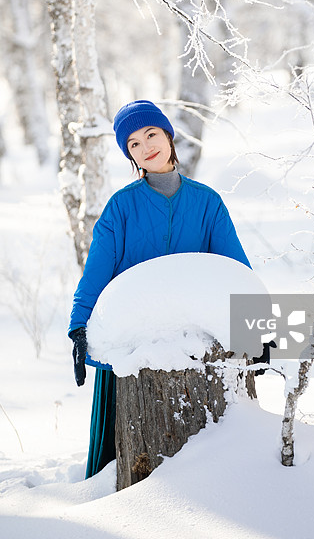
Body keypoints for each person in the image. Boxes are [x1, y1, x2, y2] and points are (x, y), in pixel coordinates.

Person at [68, 99, 251, 478]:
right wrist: (79, 328)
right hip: (131, 344)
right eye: (133, 143)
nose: (146, 146)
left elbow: (235, 269)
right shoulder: (121, 207)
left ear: (168, 135)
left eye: (151, 134)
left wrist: (256, 328)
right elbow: (96, 274)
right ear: (130, 155)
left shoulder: (207, 203)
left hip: (193, 343)